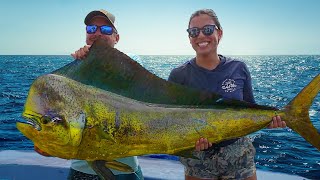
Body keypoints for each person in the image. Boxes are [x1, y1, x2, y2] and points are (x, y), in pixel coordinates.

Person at [168, 9, 286, 180]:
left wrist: (271, 121)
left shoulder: (238, 67)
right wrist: (189, 141)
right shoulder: (178, 75)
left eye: (207, 29)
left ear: (219, 33)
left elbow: (251, 110)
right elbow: (173, 123)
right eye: (194, 32)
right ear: (189, 37)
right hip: (198, 158)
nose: (200, 36)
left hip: (238, 154)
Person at [68, 9, 143, 180]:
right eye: (92, 29)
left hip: (124, 170)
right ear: (87, 34)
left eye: (106, 30)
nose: (98, 33)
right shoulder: (76, 67)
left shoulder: (132, 61)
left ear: (117, 38)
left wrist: (97, 60)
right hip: (81, 168)